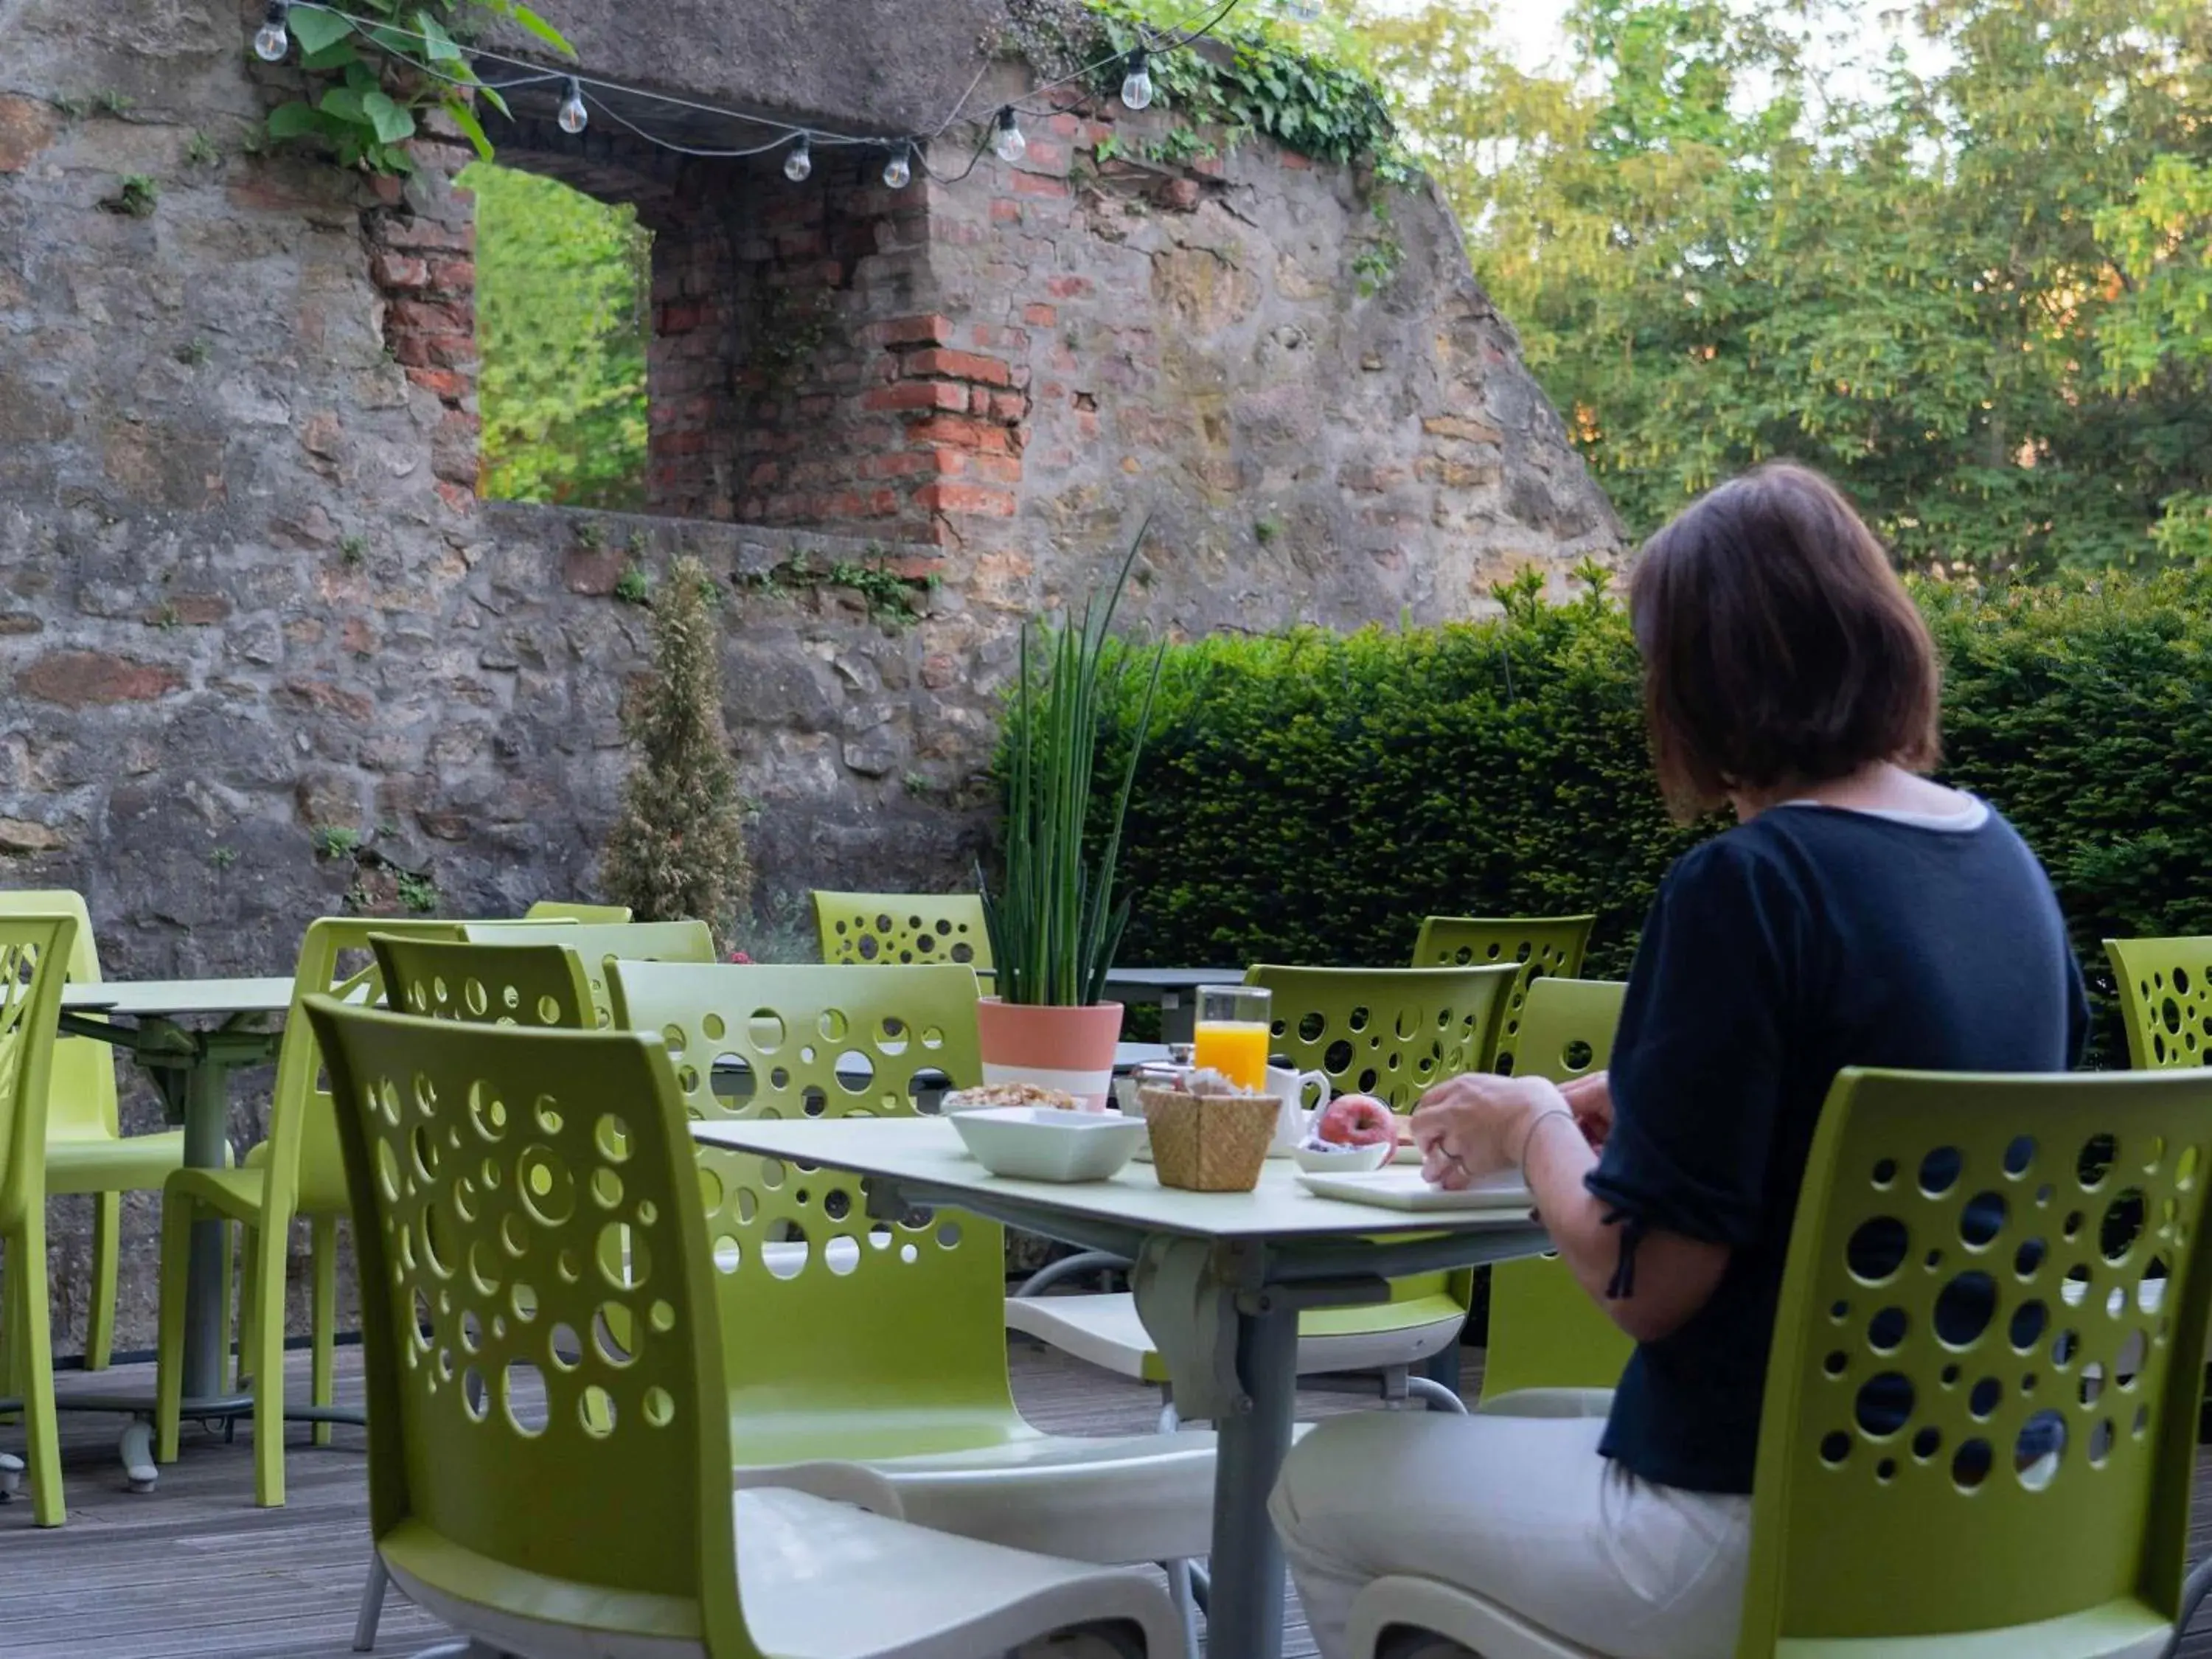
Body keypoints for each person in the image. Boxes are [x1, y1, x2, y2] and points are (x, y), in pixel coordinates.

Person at [1268, 462, 2087, 1659]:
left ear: (1703, 684)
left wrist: (1536, 1124)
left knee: (1327, 1475)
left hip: (1766, 1521)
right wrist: (1600, 1096)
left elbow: (1643, 1285)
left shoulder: (1749, 884)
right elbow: (1865, 1090)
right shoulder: (2005, 865)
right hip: (2003, 1500)